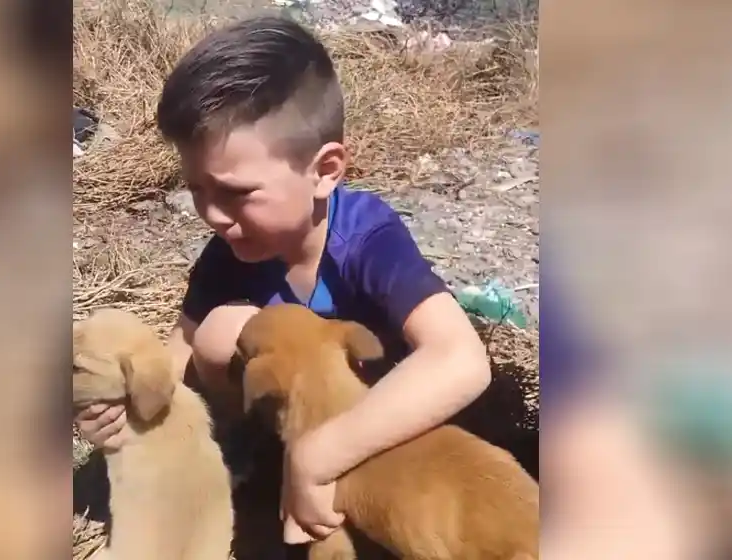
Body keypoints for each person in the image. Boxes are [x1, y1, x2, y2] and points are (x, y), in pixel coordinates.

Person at [74, 16, 490, 546]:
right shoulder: (229, 248)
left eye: (235, 192)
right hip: (288, 432)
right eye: (197, 190)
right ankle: (256, 463)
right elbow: (178, 359)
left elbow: (462, 360)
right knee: (221, 332)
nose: (213, 215)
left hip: (384, 437)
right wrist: (127, 414)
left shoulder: (367, 238)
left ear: (325, 170)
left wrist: (322, 456)